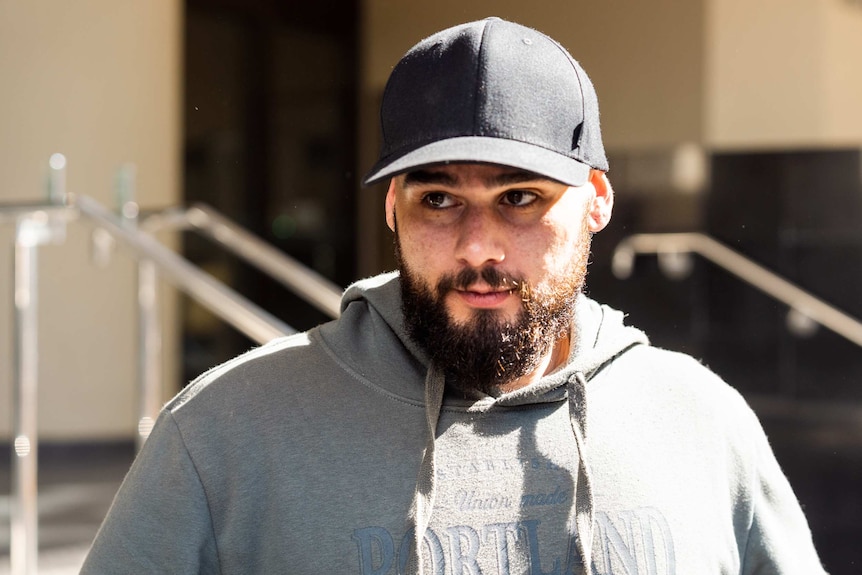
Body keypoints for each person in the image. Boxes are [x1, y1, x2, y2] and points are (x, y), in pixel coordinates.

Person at [82, 17, 826, 574]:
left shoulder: (701, 421)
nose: (478, 246)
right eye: (439, 200)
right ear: (391, 209)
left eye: (521, 198)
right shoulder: (224, 434)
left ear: (597, 199)